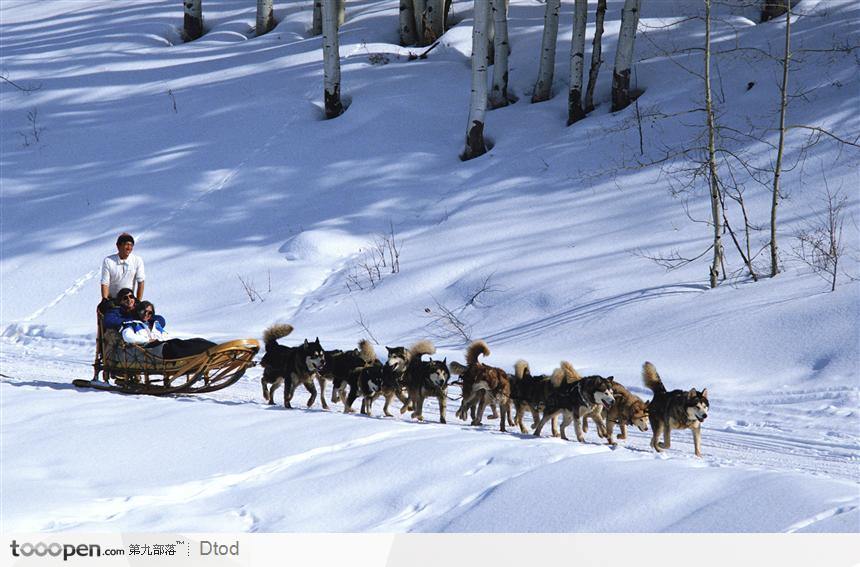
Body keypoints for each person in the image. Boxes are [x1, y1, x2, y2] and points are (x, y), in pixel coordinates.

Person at [117, 299, 215, 359]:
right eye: (143, 311)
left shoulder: (155, 324)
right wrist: (147, 340)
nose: (146, 314)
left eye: (149, 313)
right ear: (138, 311)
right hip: (153, 351)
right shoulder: (131, 324)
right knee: (178, 345)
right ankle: (211, 352)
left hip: (165, 345)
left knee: (196, 340)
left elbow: (166, 336)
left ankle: (216, 349)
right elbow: (128, 337)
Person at [100, 232, 145, 303]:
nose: (129, 248)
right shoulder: (108, 261)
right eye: (126, 244)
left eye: (131, 245)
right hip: (113, 300)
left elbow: (141, 281)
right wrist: (104, 300)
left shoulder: (137, 260)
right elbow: (105, 282)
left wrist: (138, 301)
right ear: (118, 246)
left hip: (129, 300)